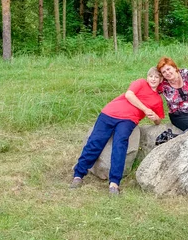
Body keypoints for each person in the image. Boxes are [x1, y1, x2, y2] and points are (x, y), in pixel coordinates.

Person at [70, 67, 164, 195]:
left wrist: (155, 117)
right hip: (109, 113)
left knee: (120, 145)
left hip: (128, 120)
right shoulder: (141, 83)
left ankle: (114, 183)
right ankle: (78, 175)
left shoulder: (157, 100)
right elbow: (129, 95)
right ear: (147, 77)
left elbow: (158, 120)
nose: (153, 79)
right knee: (95, 142)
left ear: (161, 80)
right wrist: (146, 109)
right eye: (151, 76)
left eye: (157, 77)